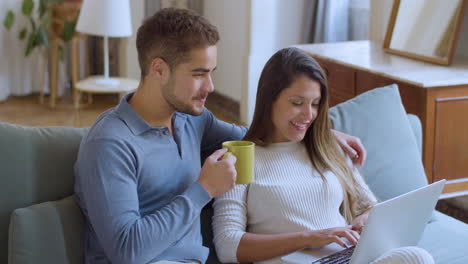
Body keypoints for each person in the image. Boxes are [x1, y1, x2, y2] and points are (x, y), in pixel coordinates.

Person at [74, 8, 367, 264]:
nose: (211, 86)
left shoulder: (192, 121)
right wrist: (203, 189)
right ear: (159, 69)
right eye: (199, 74)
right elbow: (127, 251)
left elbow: (257, 134)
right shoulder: (110, 144)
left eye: (212, 72)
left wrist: (320, 130)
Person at [212, 47, 434, 264]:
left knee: (416, 257)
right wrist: (308, 238)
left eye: (315, 104)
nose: (308, 115)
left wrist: (364, 222)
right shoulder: (240, 158)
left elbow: (369, 207)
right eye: (297, 103)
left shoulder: (328, 147)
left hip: (345, 258)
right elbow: (228, 245)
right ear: (270, 99)